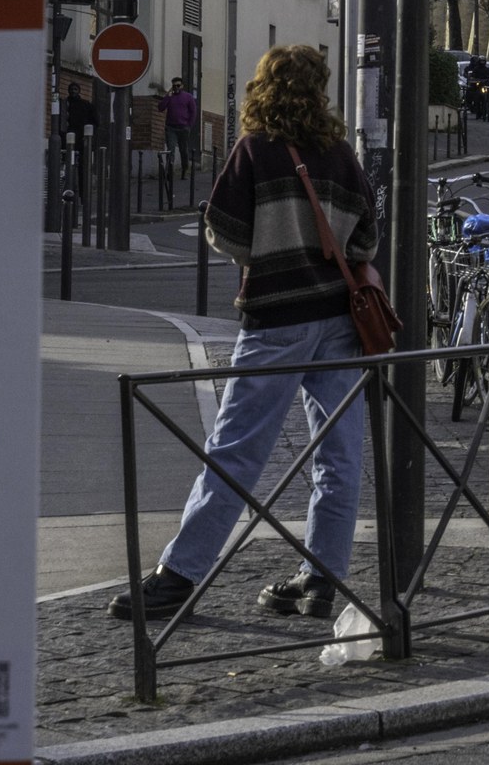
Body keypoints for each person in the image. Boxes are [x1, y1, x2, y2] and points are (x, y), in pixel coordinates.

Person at [111, 44, 376, 624]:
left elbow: (223, 232)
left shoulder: (255, 149)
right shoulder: (340, 154)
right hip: (338, 321)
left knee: (235, 450)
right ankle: (321, 578)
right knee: (339, 454)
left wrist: (272, 251)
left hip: (276, 318)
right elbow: (364, 243)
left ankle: (179, 576)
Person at [163, 76, 199, 175]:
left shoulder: (188, 97)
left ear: (182, 86)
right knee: (171, 149)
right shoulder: (170, 97)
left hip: (183, 128)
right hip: (171, 128)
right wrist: (167, 96)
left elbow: (193, 111)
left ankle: (185, 169)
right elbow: (161, 107)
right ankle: (170, 170)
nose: (176, 88)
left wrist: (189, 125)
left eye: (178, 85)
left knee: (183, 150)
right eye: (174, 86)